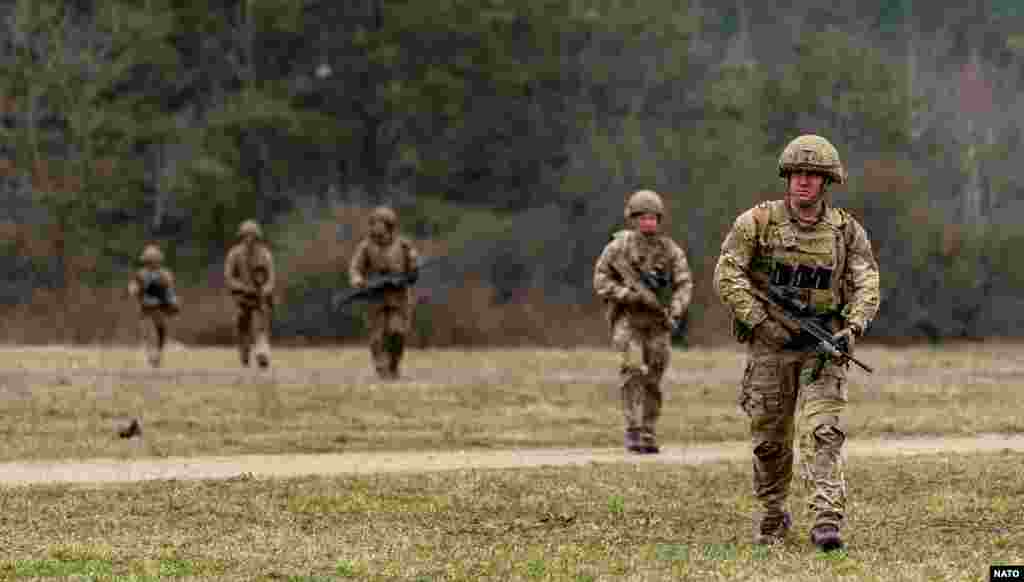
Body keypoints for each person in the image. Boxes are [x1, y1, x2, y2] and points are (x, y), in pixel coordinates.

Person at [714, 134, 880, 550]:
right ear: (787, 177)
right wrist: (760, 321)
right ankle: (773, 514)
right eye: (797, 174)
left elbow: (867, 283)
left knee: (823, 431)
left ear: (828, 182)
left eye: (814, 175)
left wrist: (853, 327)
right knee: (769, 441)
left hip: (823, 347)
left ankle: (826, 518)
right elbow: (726, 274)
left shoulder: (846, 231)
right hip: (771, 347)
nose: (804, 182)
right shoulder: (757, 223)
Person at [593, 190, 692, 454]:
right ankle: (633, 429)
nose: (648, 223)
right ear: (633, 219)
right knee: (633, 370)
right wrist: (627, 295)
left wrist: (675, 308)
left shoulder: (669, 251)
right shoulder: (619, 248)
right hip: (629, 319)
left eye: (652, 218)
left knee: (654, 377)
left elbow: (684, 283)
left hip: (658, 322)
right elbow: (601, 279)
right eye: (642, 217)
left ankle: (648, 429)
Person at [348, 206, 420, 380]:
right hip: (376, 298)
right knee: (377, 337)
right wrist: (357, 279)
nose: (376, 230)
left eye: (381, 226)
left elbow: (413, 274)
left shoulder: (404, 245)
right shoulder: (365, 247)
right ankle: (382, 368)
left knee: (397, 332)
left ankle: (394, 363)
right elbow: (355, 268)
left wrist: (412, 269)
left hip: (398, 298)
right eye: (374, 225)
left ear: (390, 227)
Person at [224, 219, 276, 368]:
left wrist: (265, 289)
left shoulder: (265, 254)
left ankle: (262, 351)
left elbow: (271, 278)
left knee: (263, 323)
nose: (249, 239)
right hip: (241, 295)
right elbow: (229, 277)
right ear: (241, 236)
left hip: (261, 295)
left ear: (258, 237)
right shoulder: (234, 254)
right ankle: (244, 351)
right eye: (246, 236)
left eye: (253, 236)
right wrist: (242, 287)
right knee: (242, 323)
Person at [127, 243, 180, 368]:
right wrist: (134, 291)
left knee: (161, 331)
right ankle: (151, 356)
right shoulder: (141, 274)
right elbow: (133, 288)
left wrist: (173, 303)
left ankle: (158, 355)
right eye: (150, 260)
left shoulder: (165, 275)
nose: (152, 263)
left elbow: (169, 291)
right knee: (148, 334)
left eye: (154, 260)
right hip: (146, 310)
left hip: (160, 309)